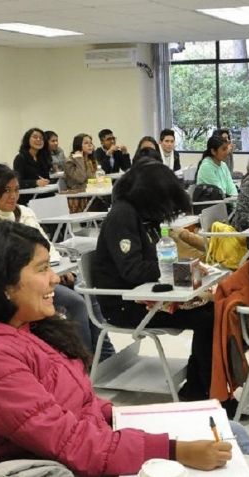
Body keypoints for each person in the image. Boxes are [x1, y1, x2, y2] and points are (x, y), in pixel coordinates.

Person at [0, 222, 241, 477]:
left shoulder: (27, 331)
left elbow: (82, 406)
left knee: (232, 432)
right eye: (41, 269)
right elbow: (74, 445)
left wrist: (141, 419)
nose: (55, 279)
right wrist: (176, 449)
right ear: (4, 286)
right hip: (69, 467)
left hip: (88, 454)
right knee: (233, 448)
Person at [94, 160, 215, 401]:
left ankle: (202, 382)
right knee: (208, 317)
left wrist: (184, 266)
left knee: (215, 308)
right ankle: (199, 389)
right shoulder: (123, 215)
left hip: (144, 296)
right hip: (123, 305)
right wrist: (178, 269)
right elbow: (134, 270)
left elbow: (158, 259)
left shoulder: (141, 215)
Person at [0, 164, 113, 358]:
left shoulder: (24, 212)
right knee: (75, 303)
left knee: (87, 292)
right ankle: (83, 362)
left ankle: (106, 356)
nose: (13, 196)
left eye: (16, 190)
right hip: (12, 289)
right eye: (6, 191)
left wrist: (56, 271)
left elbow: (46, 246)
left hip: (41, 277)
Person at [12, 127, 53, 205]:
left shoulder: (43, 158)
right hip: (28, 199)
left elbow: (47, 178)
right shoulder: (20, 158)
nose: (38, 140)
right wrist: (35, 182)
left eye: (41, 138)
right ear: (27, 140)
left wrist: (46, 181)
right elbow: (17, 182)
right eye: (35, 137)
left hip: (44, 196)